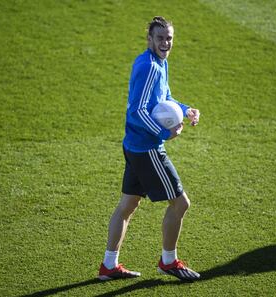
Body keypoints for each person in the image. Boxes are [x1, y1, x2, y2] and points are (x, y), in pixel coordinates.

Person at [98, 16, 201, 281]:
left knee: (127, 206)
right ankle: (169, 261)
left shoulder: (158, 62)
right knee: (180, 203)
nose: (165, 43)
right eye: (160, 38)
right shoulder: (150, 67)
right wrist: (164, 133)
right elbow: (138, 111)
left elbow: (163, 98)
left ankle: (109, 266)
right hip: (147, 149)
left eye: (169, 38)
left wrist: (184, 109)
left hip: (133, 146)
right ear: (149, 39)